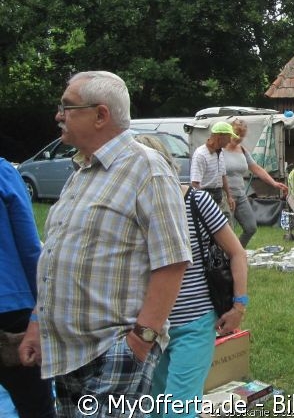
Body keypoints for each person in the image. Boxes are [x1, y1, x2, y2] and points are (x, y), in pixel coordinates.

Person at [19, 71, 191, 417]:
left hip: (115, 350)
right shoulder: (81, 171)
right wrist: (38, 325)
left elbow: (172, 261)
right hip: (68, 352)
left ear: (100, 115)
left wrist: (141, 340)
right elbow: (54, 255)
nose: (58, 115)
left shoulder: (148, 169)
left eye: (67, 107)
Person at [136, 134, 249, 418]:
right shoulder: (133, 208)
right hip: (150, 328)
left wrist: (239, 306)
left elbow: (238, 253)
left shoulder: (196, 202)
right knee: (154, 408)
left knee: (178, 410)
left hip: (194, 324)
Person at [0, 156, 54, 418]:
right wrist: (41, 311)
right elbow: (30, 247)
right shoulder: (2, 172)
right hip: (10, 308)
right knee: (36, 406)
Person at [224, 118, 288, 247]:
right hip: (225, 196)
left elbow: (256, 168)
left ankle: (237, 252)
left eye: (242, 136)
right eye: (237, 134)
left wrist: (274, 183)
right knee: (227, 233)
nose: (239, 138)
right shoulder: (220, 150)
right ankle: (228, 258)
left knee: (250, 227)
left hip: (240, 195)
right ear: (230, 132)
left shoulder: (242, 150)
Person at [190, 121, 236, 214]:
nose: (230, 141)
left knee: (227, 224)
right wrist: (204, 202)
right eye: (228, 137)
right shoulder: (200, 154)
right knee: (211, 227)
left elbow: (223, 176)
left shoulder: (220, 152)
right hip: (206, 195)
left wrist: (229, 196)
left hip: (219, 195)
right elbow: (195, 183)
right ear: (220, 136)